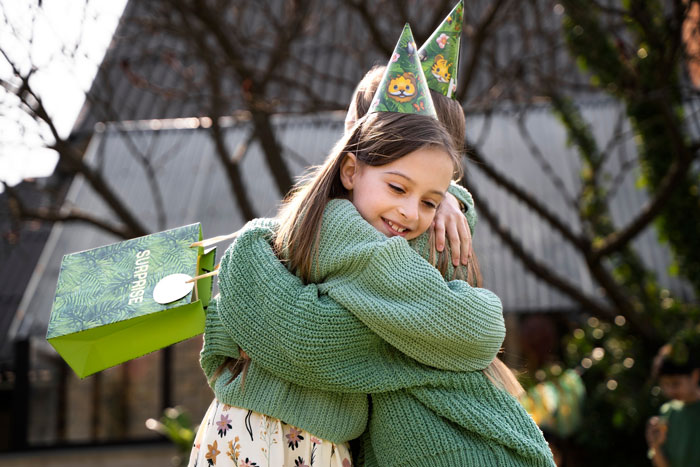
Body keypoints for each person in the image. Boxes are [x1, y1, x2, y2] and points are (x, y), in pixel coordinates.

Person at [190, 22, 553, 467]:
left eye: (430, 197)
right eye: (399, 188)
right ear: (352, 165)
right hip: (262, 433)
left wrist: (449, 202)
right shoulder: (298, 239)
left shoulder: (419, 236)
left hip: (315, 441)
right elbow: (477, 330)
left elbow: (231, 336)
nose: (409, 212)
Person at [645, 340, 700, 467]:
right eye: (665, 384)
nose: (670, 390)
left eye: (676, 383)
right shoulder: (668, 412)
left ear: (695, 376)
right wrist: (655, 445)